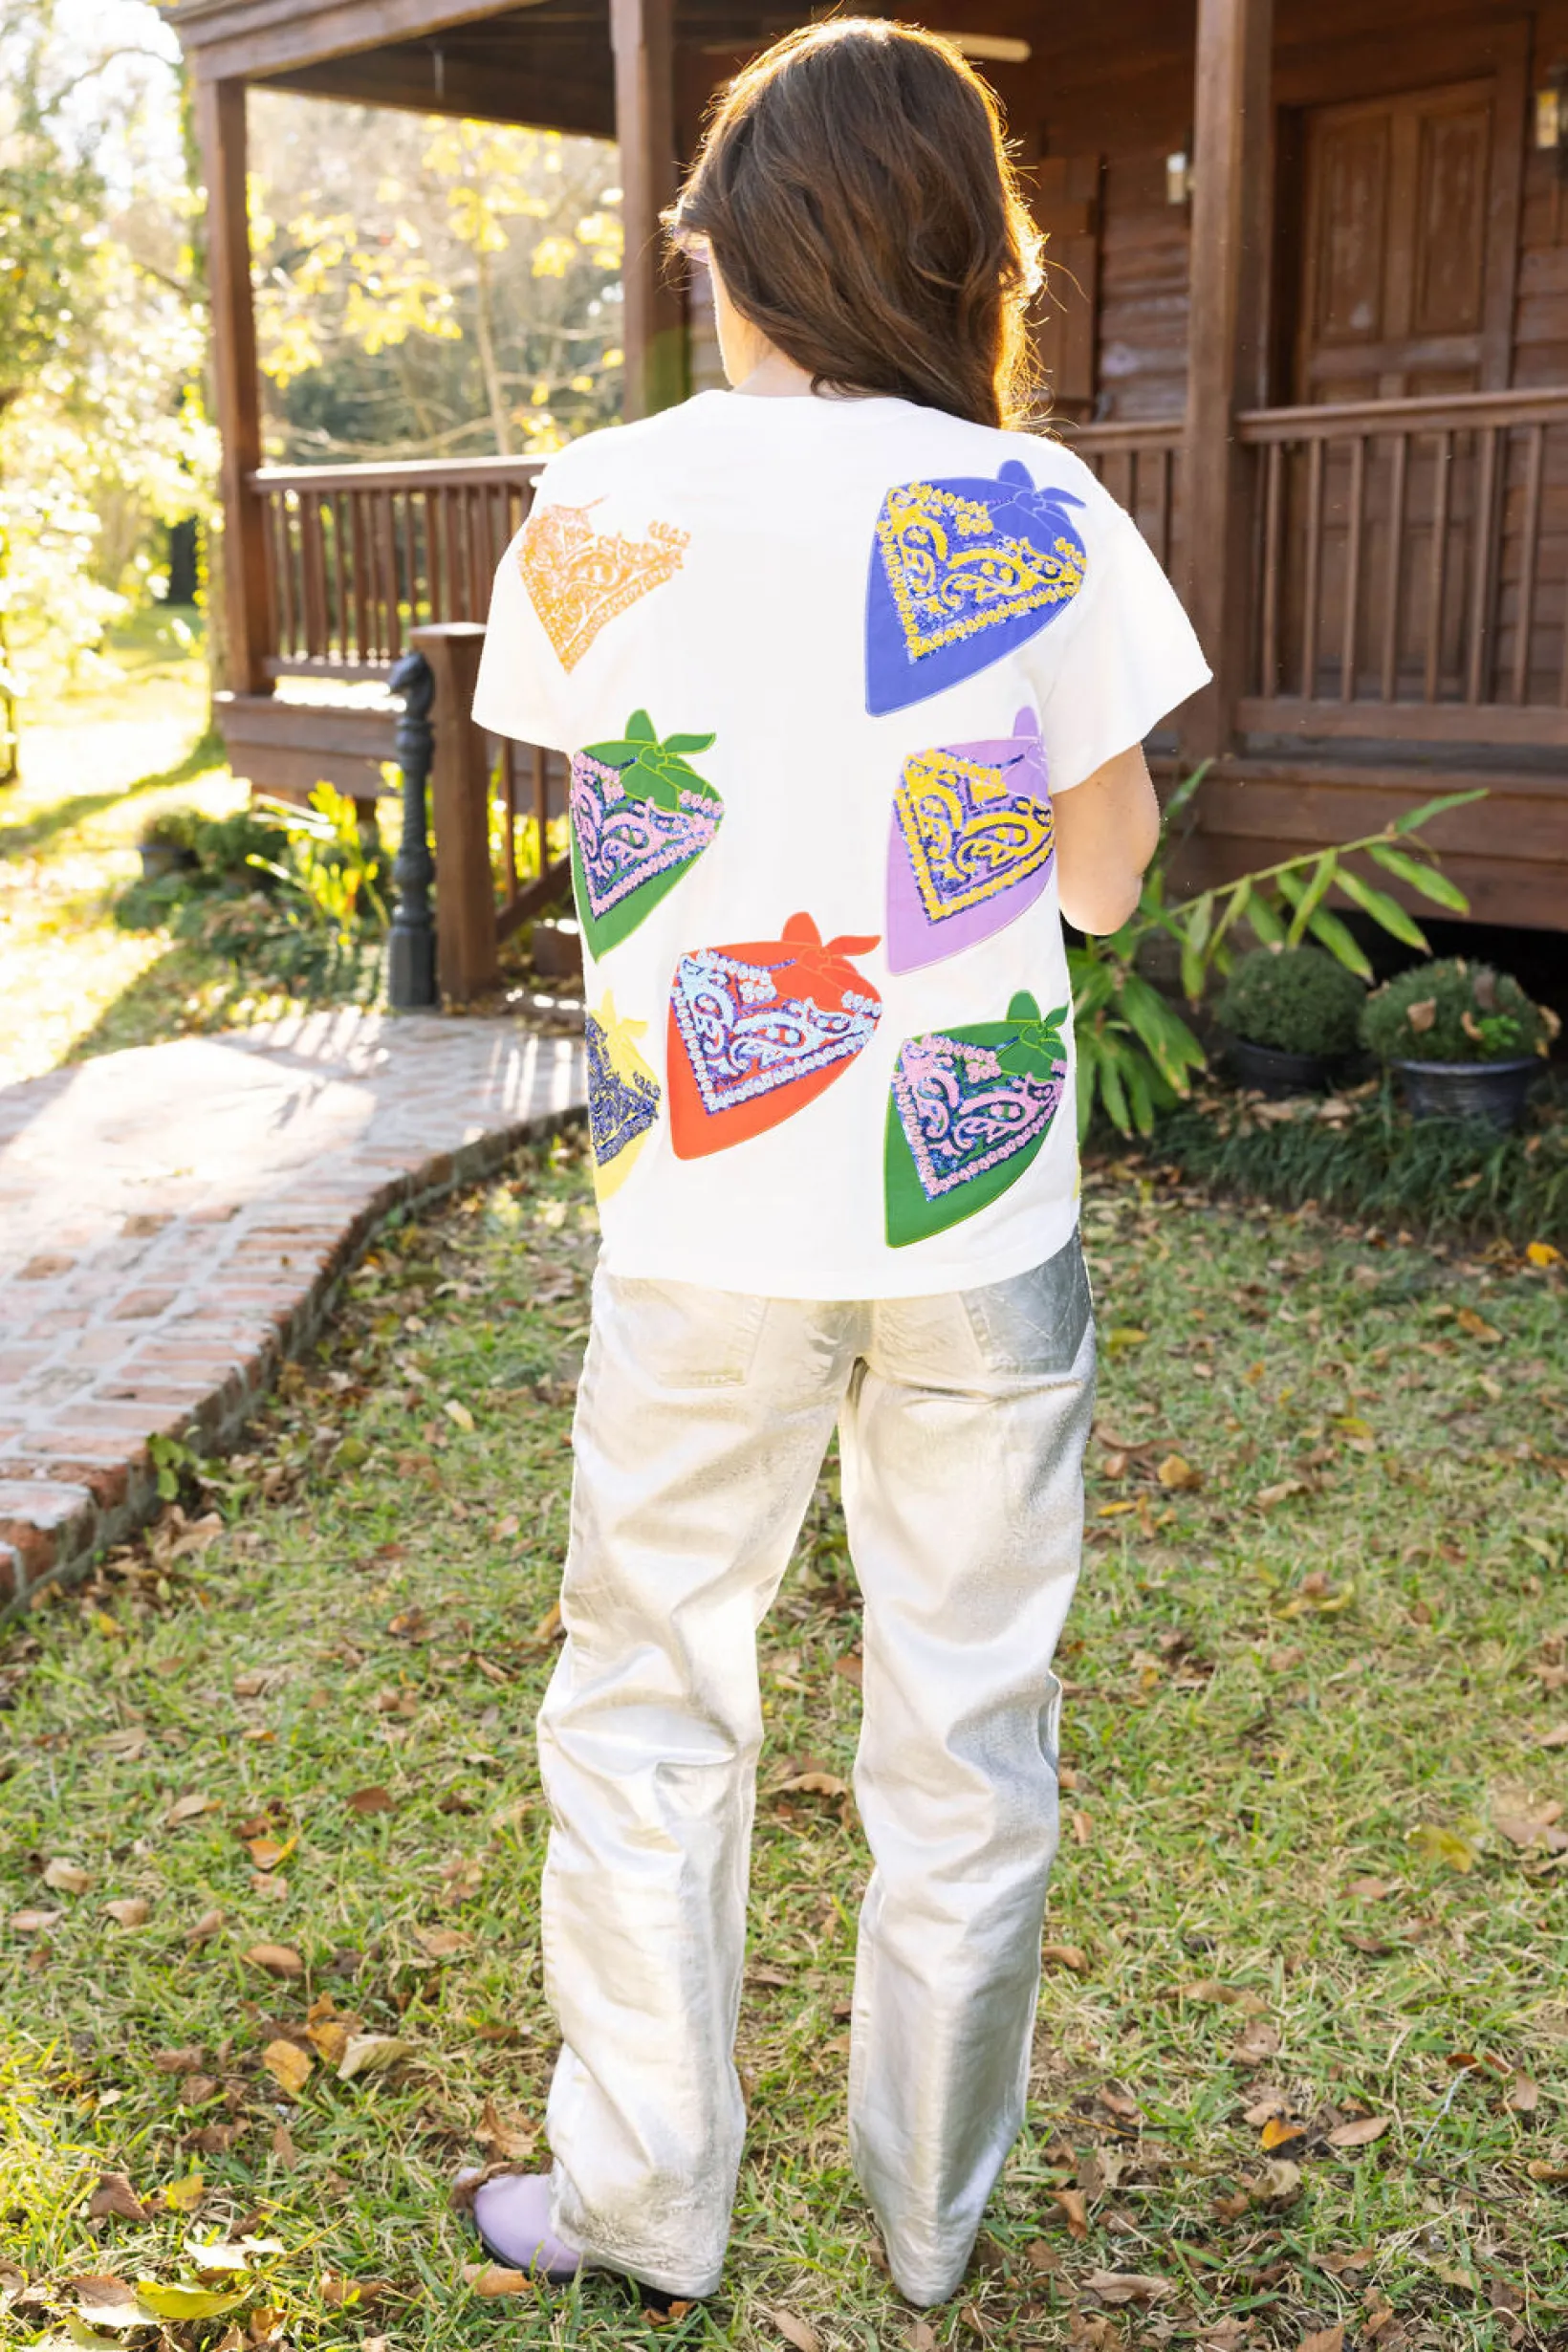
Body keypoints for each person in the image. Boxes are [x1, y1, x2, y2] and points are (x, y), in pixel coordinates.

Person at [468, 15, 1209, 2312]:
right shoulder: (1034, 509)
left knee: (647, 1703)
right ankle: (923, 2224)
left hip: (698, 1211)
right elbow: (1101, 886)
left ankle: (641, 2207)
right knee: (970, 1725)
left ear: (732, 243)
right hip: (973, 1220)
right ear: (961, 257)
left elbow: (585, 828)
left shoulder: (596, 499)